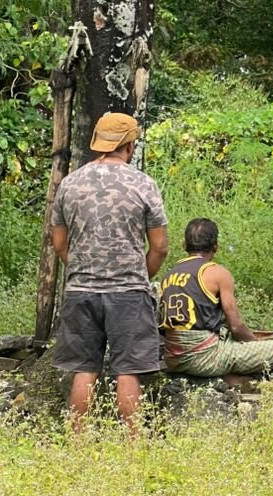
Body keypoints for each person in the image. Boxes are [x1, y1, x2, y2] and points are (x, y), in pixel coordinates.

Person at [50, 112, 169, 434]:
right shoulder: (143, 183)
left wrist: (79, 269)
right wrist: (140, 276)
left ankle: (77, 442)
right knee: (128, 371)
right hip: (129, 293)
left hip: (80, 291)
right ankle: (133, 443)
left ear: (98, 143)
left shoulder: (69, 184)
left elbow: (59, 242)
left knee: (84, 370)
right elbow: (159, 246)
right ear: (128, 145)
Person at [158, 219, 273, 378]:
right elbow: (236, 326)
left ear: (184, 244)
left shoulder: (169, 275)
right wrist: (256, 344)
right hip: (204, 357)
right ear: (215, 246)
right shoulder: (217, 273)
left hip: (173, 358)